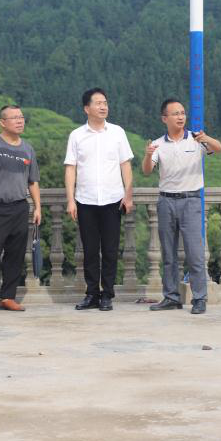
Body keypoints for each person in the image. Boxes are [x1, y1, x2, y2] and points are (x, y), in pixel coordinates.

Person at [142, 98, 221, 315]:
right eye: (175, 113)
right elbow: (147, 170)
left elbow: (219, 148)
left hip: (191, 200)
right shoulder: (158, 144)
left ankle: (199, 298)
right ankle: (171, 297)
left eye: (182, 113)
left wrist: (206, 138)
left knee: (195, 253)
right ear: (164, 118)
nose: (180, 117)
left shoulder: (196, 139)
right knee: (168, 253)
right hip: (166, 201)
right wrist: (148, 155)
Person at [64, 88, 134, 311]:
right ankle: (92, 294)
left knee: (111, 250)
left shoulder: (117, 132)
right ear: (87, 108)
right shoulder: (76, 135)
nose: (103, 106)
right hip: (85, 201)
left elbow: (125, 165)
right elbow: (71, 168)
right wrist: (70, 200)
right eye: (98, 103)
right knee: (90, 250)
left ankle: (107, 295)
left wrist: (128, 195)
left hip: (113, 200)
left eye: (105, 102)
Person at [0, 105, 41, 315]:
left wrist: (37, 207)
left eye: (21, 117)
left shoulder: (28, 149)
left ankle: (8, 297)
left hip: (20, 207)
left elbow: (33, 181)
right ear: (3, 122)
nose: (20, 121)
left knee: (16, 255)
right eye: (14, 118)